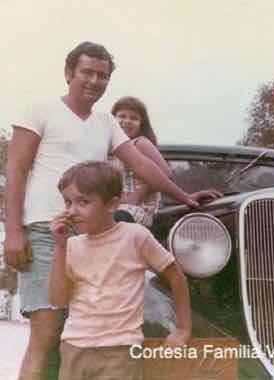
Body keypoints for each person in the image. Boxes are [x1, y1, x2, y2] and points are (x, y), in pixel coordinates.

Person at [3, 41, 219, 380]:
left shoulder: (106, 121)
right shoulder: (39, 109)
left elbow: (141, 164)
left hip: (95, 237)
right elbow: (15, 169)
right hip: (49, 231)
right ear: (68, 73)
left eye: (102, 76)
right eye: (86, 72)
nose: (94, 81)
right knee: (46, 335)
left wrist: (185, 197)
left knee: (87, 335)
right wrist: (13, 230)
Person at [48, 161, 191, 380]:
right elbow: (58, 300)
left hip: (120, 349)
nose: (72, 211)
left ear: (112, 204)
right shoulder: (70, 245)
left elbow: (176, 276)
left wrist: (183, 330)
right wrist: (60, 246)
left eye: (83, 202)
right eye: (68, 202)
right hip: (73, 347)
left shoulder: (135, 236)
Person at [109, 96, 170, 226]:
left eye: (134, 118)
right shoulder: (109, 149)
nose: (127, 121)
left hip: (139, 207)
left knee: (119, 219)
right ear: (112, 119)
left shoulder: (141, 143)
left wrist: (137, 195)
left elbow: (165, 173)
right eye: (122, 116)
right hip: (116, 205)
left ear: (142, 124)